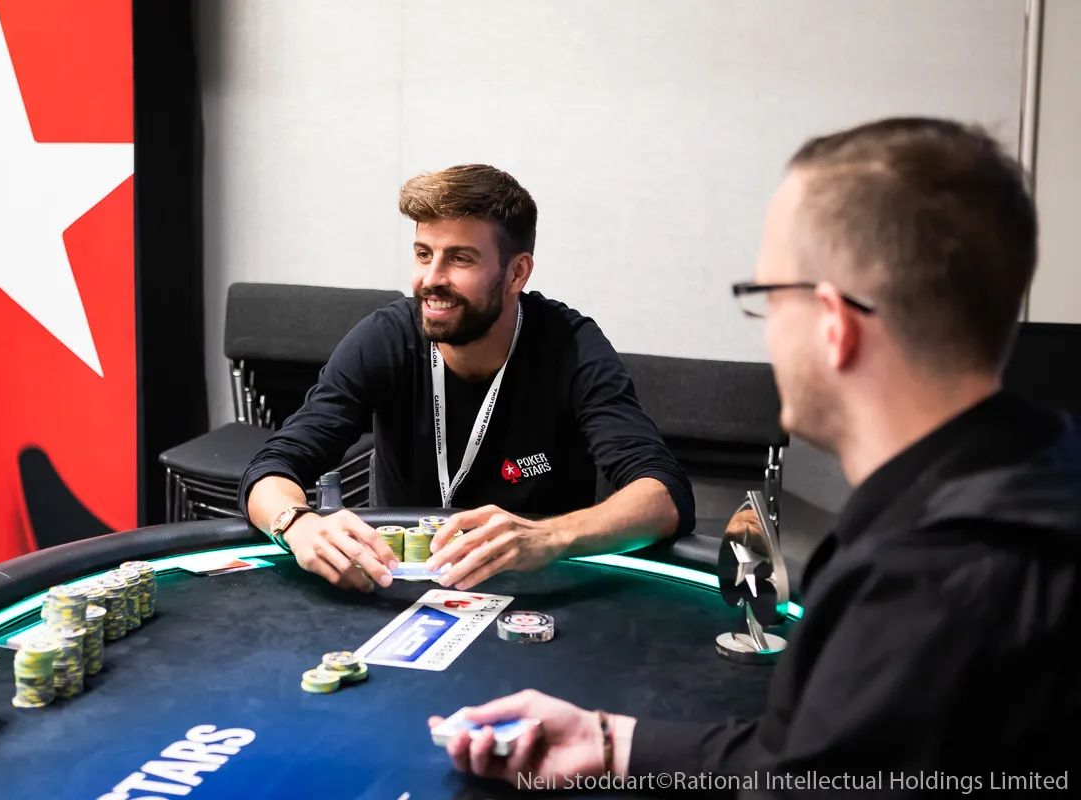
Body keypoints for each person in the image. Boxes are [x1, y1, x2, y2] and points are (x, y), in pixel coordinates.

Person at [430, 118, 1081, 791]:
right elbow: (820, 757)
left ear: (834, 327)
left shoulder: (930, 587)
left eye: (769, 299)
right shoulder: (1024, 480)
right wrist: (608, 741)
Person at [239, 165, 694, 593]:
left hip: (539, 592)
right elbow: (272, 468)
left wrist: (549, 535)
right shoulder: (386, 338)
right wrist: (297, 524)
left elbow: (664, 493)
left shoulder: (571, 347)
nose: (431, 280)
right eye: (424, 254)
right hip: (400, 584)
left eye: (459, 258)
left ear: (517, 272)